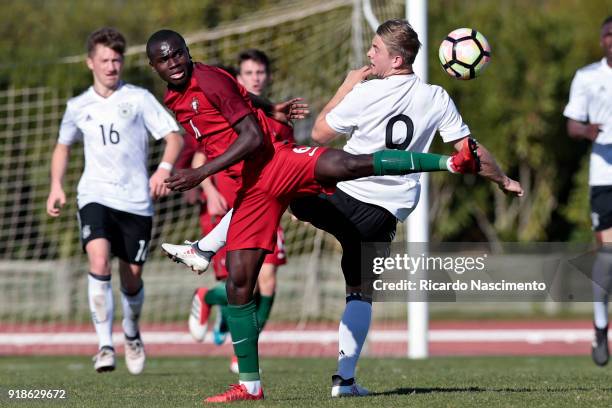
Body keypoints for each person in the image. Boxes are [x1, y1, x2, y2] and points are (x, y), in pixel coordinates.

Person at [159, 20, 523, 399]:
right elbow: (474, 154)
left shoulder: (365, 93)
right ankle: (344, 381)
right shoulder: (437, 98)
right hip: (384, 215)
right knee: (360, 293)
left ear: (396, 59)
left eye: (376, 50)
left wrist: (346, 87)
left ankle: (205, 248)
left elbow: (318, 133)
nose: (369, 55)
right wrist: (504, 180)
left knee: (274, 181)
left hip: (339, 195)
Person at [45, 27, 183, 375]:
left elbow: (173, 136)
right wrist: (56, 185)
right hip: (95, 195)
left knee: (131, 278)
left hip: (136, 200)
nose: (111, 66)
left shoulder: (138, 98)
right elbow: (63, 145)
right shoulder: (78, 106)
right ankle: (105, 346)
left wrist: (163, 169)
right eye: (104, 60)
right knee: (99, 258)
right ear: (90, 62)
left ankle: (132, 334)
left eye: (117, 60)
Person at [185, 51, 296, 375]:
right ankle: (208, 298)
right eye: (249, 72)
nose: (256, 77)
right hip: (228, 211)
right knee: (242, 283)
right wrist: (210, 191)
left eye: (261, 71)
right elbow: (198, 159)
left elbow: (288, 161)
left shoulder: (278, 117)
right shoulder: (227, 110)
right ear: (239, 78)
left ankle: (243, 351)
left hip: (266, 207)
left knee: (269, 282)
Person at [564, 15, 612, 367]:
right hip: (604, 176)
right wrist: (588, 131)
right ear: (602, 40)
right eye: (608, 34)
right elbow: (571, 125)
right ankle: (599, 327)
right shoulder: (587, 77)